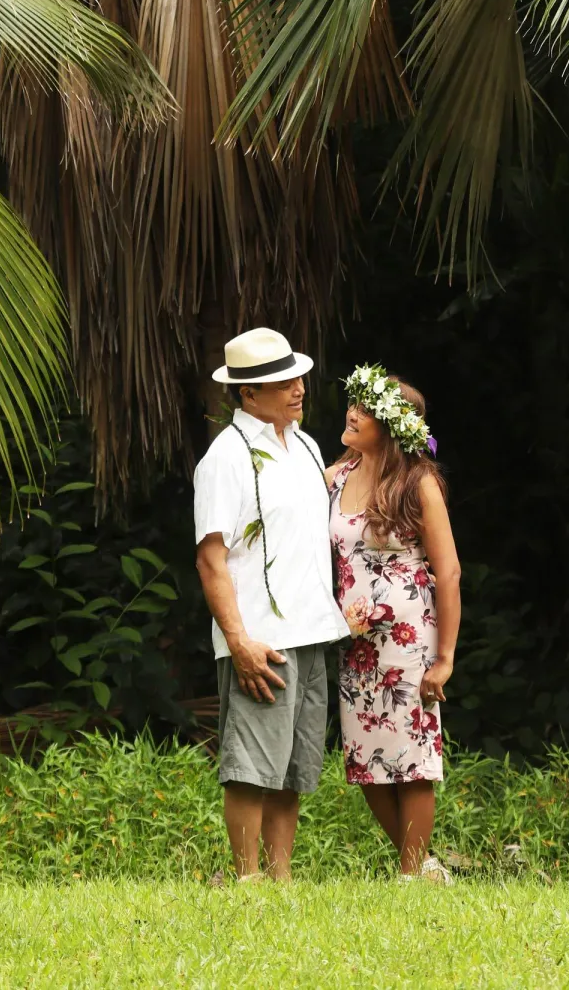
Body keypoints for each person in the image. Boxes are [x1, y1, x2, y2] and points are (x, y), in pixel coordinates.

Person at [193, 327, 349, 882]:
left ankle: (280, 881)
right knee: (251, 767)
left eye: (297, 376)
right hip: (259, 636)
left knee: (294, 767)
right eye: (280, 382)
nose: (297, 388)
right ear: (248, 393)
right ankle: (247, 879)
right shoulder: (226, 458)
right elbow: (211, 559)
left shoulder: (304, 445)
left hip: (311, 630)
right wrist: (238, 641)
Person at [327, 365, 461, 880]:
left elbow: (447, 570)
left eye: (365, 409)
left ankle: (409, 878)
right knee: (365, 763)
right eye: (352, 404)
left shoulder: (417, 482)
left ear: (390, 426)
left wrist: (445, 657)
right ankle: (423, 865)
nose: (351, 413)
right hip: (355, 641)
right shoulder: (335, 477)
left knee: (413, 758)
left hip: (411, 640)